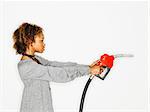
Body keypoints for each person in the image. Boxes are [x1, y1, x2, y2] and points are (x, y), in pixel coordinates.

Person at [12, 23, 102, 112]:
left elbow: (56, 65)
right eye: (41, 40)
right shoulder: (27, 67)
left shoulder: (35, 59)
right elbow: (59, 74)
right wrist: (88, 70)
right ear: (30, 42)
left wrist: (88, 67)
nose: (44, 44)